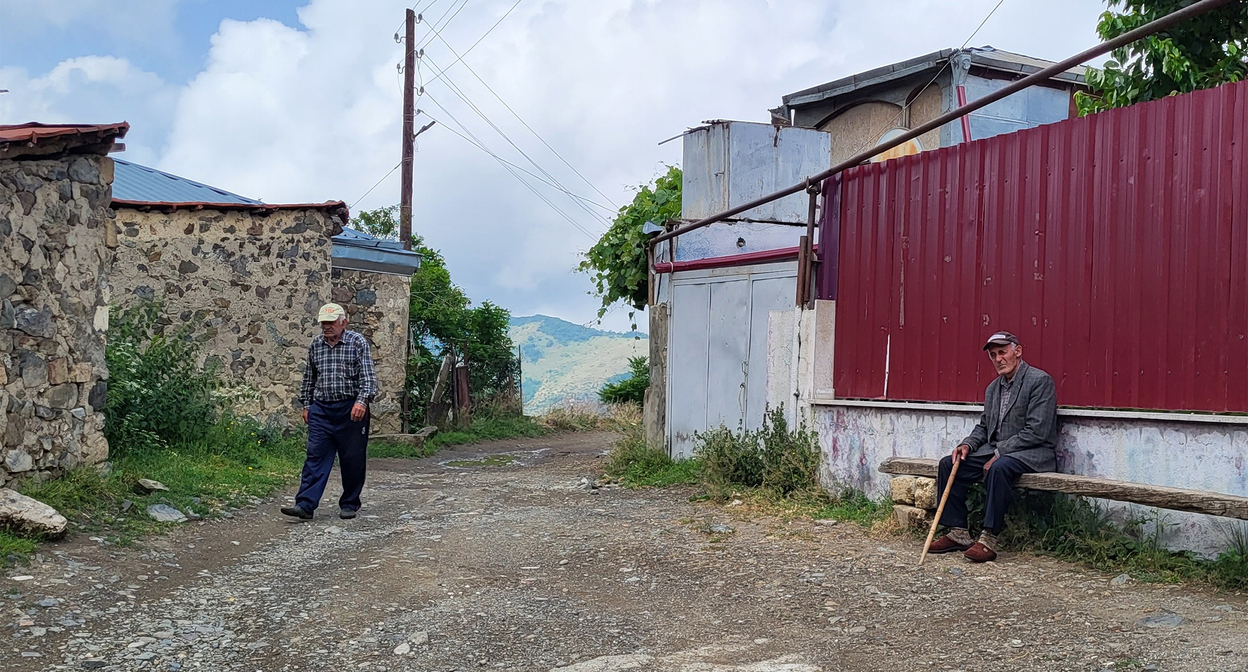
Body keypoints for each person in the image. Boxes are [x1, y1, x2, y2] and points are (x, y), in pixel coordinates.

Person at [926, 331, 1057, 562]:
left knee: (999, 467)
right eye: (993, 355)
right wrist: (967, 444)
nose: (998, 359)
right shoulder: (993, 388)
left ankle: (989, 538)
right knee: (950, 463)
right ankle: (958, 533)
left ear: (1018, 351)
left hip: (1033, 451)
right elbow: (985, 427)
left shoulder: (1039, 381)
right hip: (998, 450)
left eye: (1002, 352)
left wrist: (999, 452)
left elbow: (1037, 431)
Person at [281, 303, 378, 521]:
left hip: (351, 408)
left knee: (352, 458)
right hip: (322, 409)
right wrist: (307, 405)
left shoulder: (357, 342)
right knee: (315, 456)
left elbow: (368, 377)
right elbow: (309, 378)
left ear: (344, 322)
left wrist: (362, 401)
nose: (326, 326)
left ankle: (350, 503)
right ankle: (305, 505)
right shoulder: (316, 345)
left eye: (331, 322)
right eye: (323, 322)